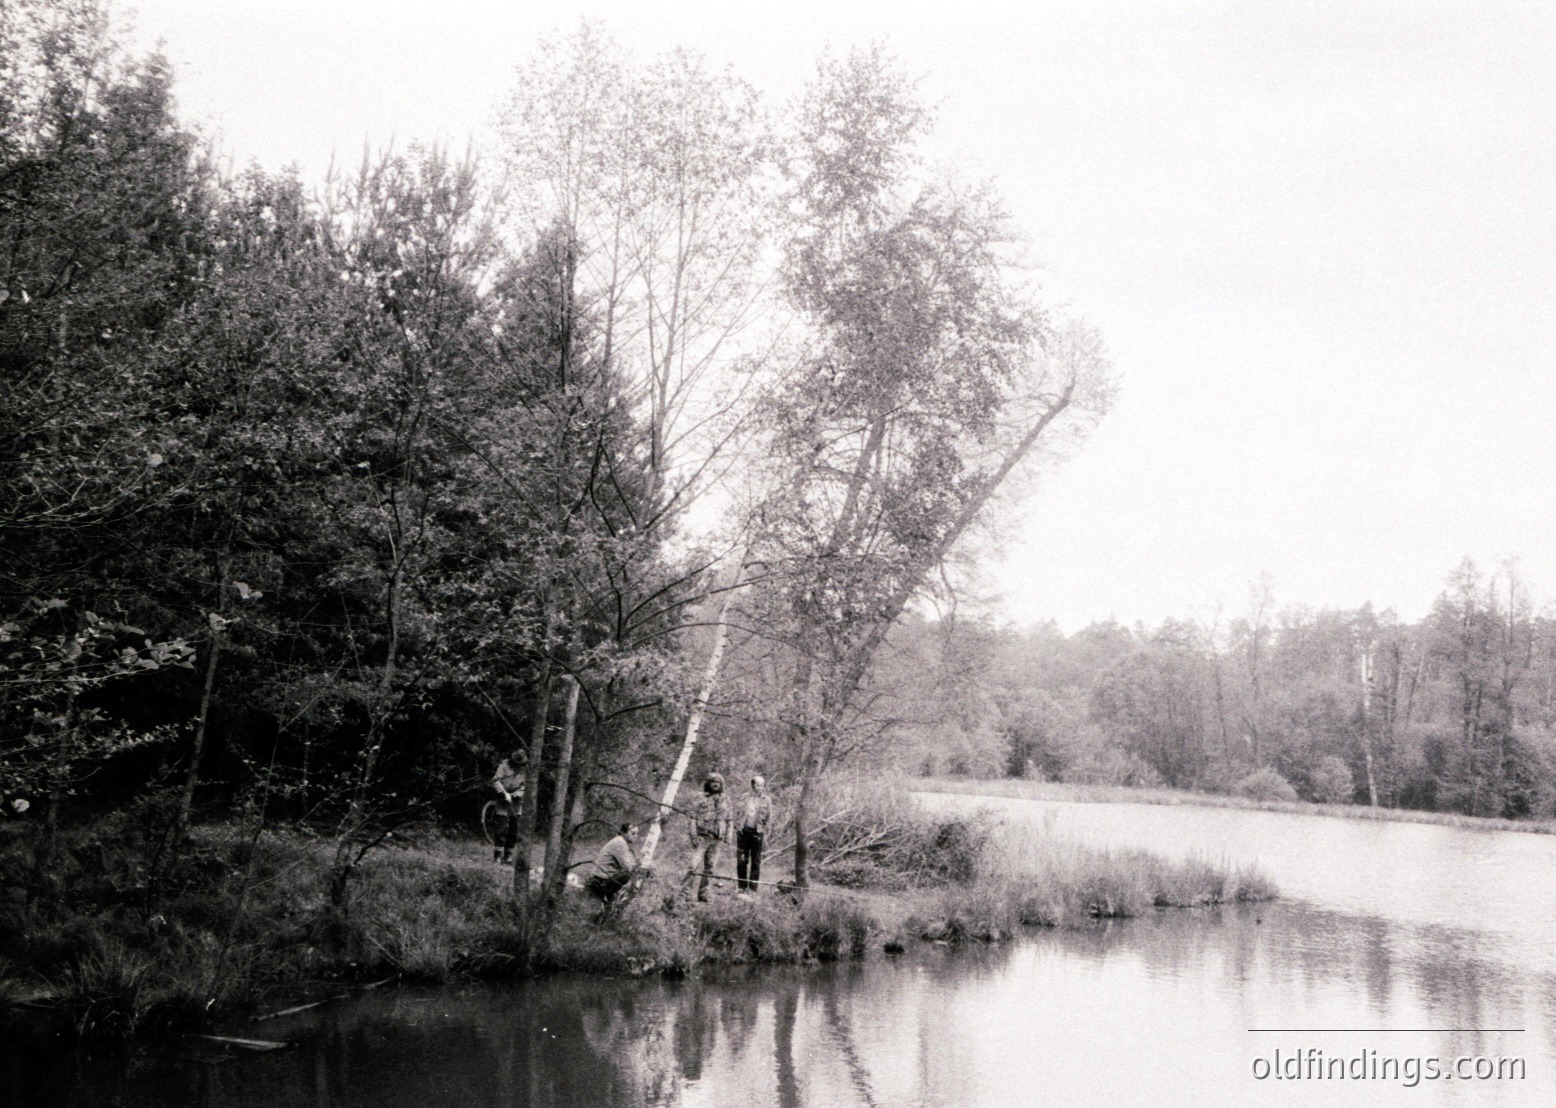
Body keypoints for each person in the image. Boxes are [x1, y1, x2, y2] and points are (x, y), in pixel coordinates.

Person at [681, 772, 731, 902]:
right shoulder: (700, 797)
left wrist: (728, 835)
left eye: (718, 782)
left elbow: (729, 819)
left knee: (710, 868)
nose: (715, 784)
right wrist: (693, 835)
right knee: (693, 865)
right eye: (713, 782)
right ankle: (684, 893)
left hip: (717, 838)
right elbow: (692, 817)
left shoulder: (725, 799)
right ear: (708, 783)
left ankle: (704, 894)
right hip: (702, 836)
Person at [735, 774, 773, 894]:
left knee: (755, 861)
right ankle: (742, 886)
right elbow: (737, 812)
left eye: (762, 785)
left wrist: (765, 831)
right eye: (757, 785)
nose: (760, 787)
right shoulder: (744, 797)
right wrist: (737, 826)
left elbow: (769, 817)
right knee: (742, 860)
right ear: (752, 785)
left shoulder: (767, 800)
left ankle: (752, 889)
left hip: (757, 833)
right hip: (743, 832)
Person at [586, 823, 640, 905]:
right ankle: (607, 897)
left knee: (628, 874)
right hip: (602, 879)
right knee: (628, 874)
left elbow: (629, 861)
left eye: (637, 833)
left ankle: (610, 898)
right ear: (624, 833)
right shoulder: (620, 843)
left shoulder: (620, 841)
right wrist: (638, 866)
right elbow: (628, 866)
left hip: (601, 876)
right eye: (633, 833)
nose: (636, 836)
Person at [491, 749, 526, 863]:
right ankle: (497, 857)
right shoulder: (504, 766)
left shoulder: (524, 770)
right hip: (502, 800)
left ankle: (508, 856)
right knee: (501, 828)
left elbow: (524, 787)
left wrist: (514, 795)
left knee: (514, 831)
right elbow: (496, 780)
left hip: (516, 803)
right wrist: (504, 793)